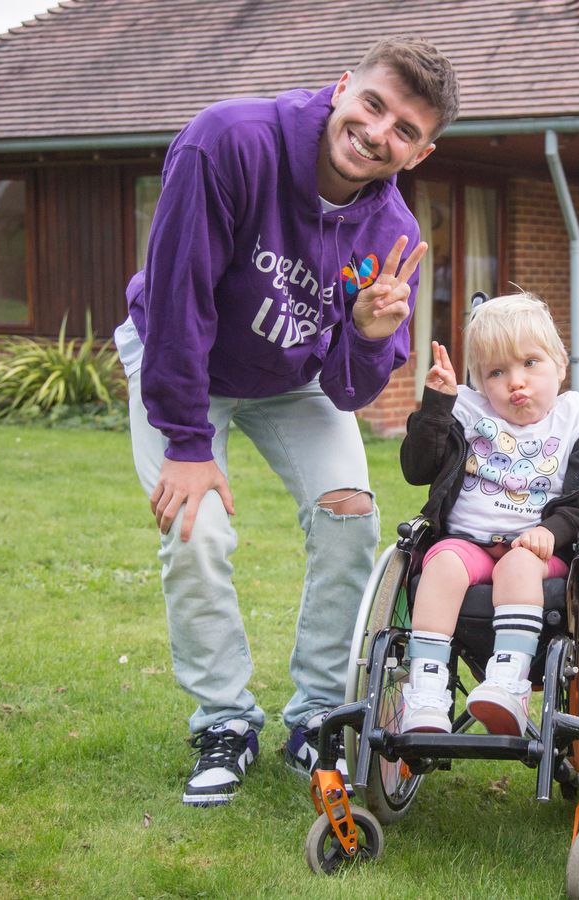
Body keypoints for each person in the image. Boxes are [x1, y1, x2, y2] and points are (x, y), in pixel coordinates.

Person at [113, 38, 460, 806]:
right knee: (194, 526)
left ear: (421, 152)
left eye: (405, 129)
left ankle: (315, 718)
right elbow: (179, 297)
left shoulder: (391, 233)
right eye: (373, 104)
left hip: (289, 379)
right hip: (183, 360)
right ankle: (225, 722)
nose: (378, 132)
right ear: (343, 87)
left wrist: (368, 335)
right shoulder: (230, 141)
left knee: (353, 518)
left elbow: (346, 390)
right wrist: (188, 442)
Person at [397, 293, 579, 735]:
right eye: (496, 372)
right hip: (468, 545)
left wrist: (554, 530)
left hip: (539, 549)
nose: (515, 382)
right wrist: (436, 408)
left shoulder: (576, 423)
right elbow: (417, 469)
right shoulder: (466, 413)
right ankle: (426, 692)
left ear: (560, 365)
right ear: (480, 383)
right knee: (439, 564)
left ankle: (508, 684)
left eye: (530, 364)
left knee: (520, 564)